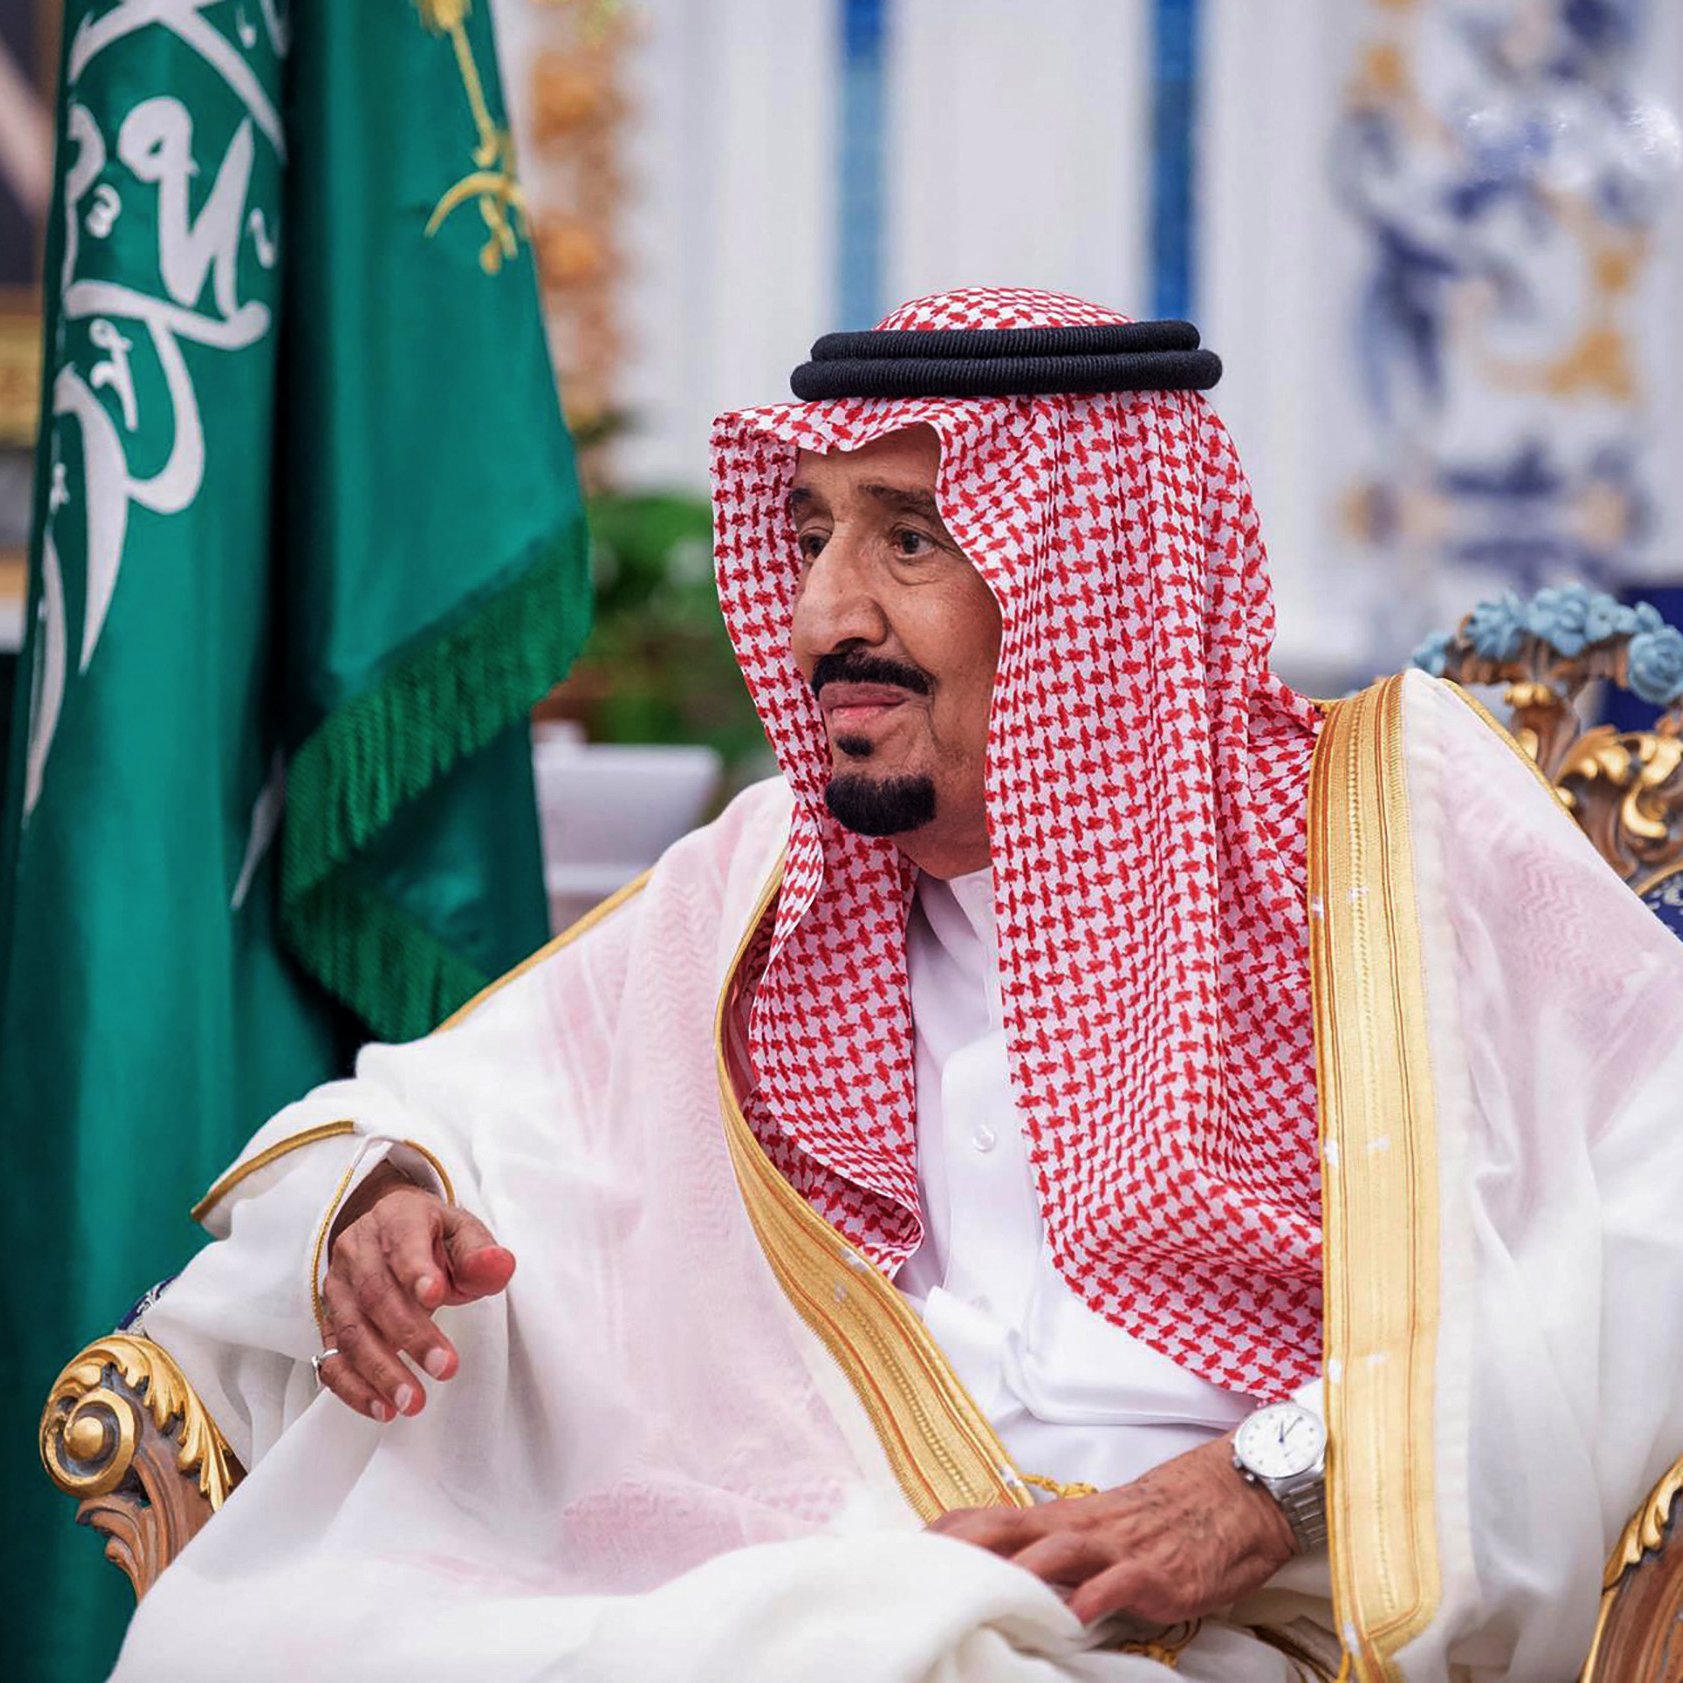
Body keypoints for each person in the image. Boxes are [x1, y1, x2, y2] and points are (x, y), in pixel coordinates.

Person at [110, 290, 1683, 1682]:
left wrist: (1273, 1480)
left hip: (1260, 1606)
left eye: (909, 539)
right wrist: (388, 1196)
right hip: (829, 1545)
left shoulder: (1387, 823)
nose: (824, 616)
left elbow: (1649, 1226)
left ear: (1097, 580)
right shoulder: (765, 885)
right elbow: (456, 1102)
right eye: (809, 538)